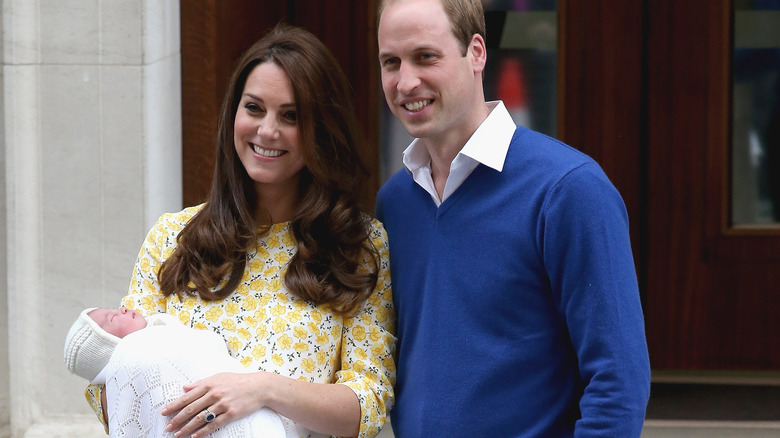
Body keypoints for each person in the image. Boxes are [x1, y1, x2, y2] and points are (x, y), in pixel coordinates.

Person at [81, 24, 396, 438]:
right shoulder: (174, 236)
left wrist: (260, 390)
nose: (267, 131)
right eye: (254, 108)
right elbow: (110, 382)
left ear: (321, 128)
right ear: (234, 113)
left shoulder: (359, 246)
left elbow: (368, 403)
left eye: (291, 116)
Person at [374, 0, 651, 436]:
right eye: (391, 62)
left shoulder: (569, 190)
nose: (406, 81)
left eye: (426, 57)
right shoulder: (395, 204)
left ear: (477, 53)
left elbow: (618, 381)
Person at [64, 307, 289, 437]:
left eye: (114, 308)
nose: (122, 308)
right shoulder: (135, 356)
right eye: (111, 318)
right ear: (107, 346)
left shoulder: (169, 334)